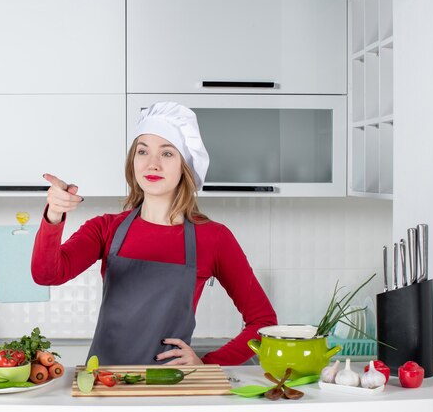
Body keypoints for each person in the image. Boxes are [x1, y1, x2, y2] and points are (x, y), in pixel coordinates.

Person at [31, 102, 277, 366]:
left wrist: (207, 364)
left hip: (170, 389)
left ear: (185, 166)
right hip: (106, 385)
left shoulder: (214, 238)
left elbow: (264, 324)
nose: (152, 164)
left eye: (167, 154)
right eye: (143, 151)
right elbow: (46, 274)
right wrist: (54, 215)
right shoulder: (105, 228)